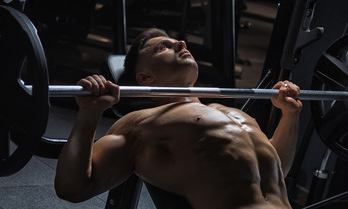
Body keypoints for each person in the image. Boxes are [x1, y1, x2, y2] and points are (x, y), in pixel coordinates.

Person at [55, 28, 302, 209]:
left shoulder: (232, 113)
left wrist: (290, 115)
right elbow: (72, 187)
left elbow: (275, 168)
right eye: (163, 46)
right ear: (145, 78)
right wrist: (90, 113)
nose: (181, 42)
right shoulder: (142, 124)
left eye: (178, 41)